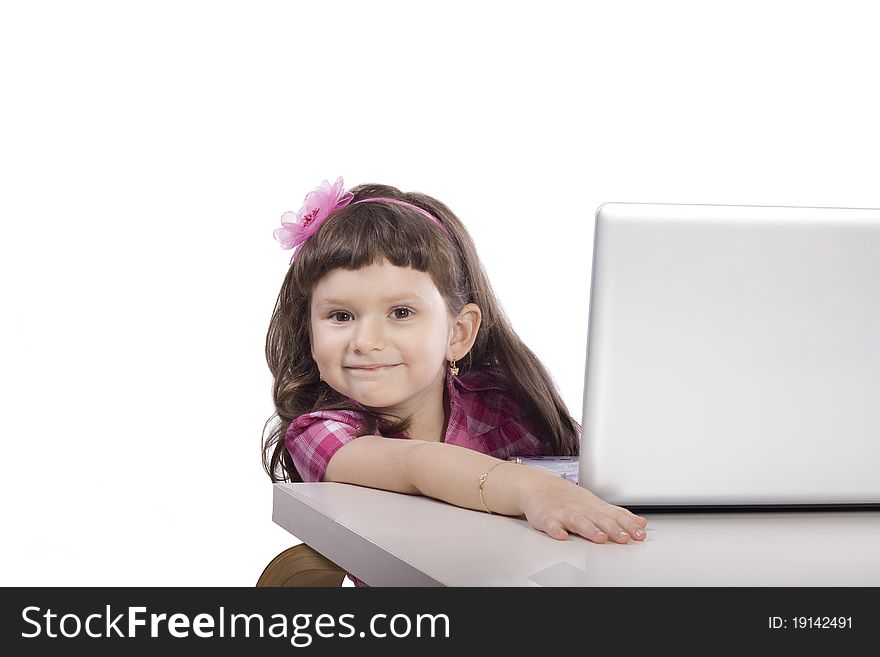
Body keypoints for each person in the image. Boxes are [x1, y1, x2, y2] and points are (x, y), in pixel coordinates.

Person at [263, 177, 648, 586]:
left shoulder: (503, 406)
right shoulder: (321, 433)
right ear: (309, 333)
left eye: (401, 313)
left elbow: (599, 474)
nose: (366, 342)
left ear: (458, 333)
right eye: (341, 316)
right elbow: (416, 464)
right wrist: (528, 488)